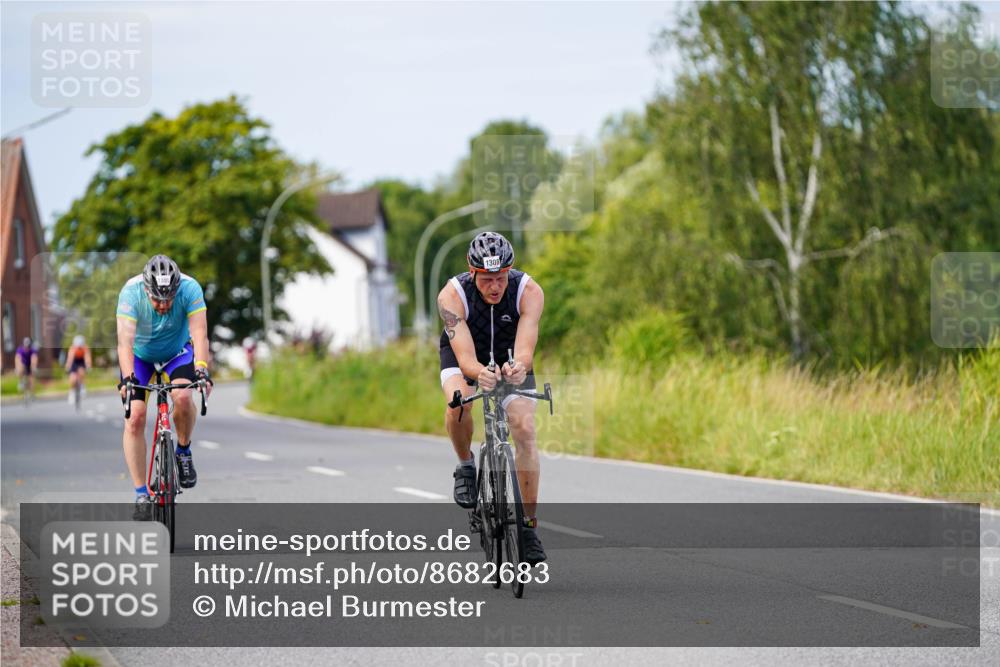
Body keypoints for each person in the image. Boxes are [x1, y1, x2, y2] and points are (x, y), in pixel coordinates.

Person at [436, 231, 547, 564]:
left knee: (524, 432)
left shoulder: (529, 291)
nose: (495, 286)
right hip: (464, 356)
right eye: (487, 280)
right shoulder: (451, 297)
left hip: (510, 356)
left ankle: (527, 528)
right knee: (458, 401)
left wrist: (518, 367)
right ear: (473, 273)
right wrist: (477, 372)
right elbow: (465, 354)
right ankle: (466, 466)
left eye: (500, 278)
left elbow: (526, 347)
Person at [117, 255, 213, 519]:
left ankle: (183, 451)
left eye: (168, 298)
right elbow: (124, 343)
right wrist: (127, 378)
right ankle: (141, 493)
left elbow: (199, 333)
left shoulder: (190, 288)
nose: (163, 304)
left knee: (183, 397)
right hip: (141, 356)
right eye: (157, 299)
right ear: (146, 290)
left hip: (176, 352)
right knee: (135, 417)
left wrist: (202, 368)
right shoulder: (131, 293)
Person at [65, 334, 91, 405]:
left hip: (81, 361)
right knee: (72, 378)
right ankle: (71, 393)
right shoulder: (72, 348)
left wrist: (88, 366)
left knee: (81, 372)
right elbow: (70, 358)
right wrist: (68, 366)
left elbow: (87, 358)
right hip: (74, 361)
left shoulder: (85, 348)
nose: (79, 347)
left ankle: (82, 387)